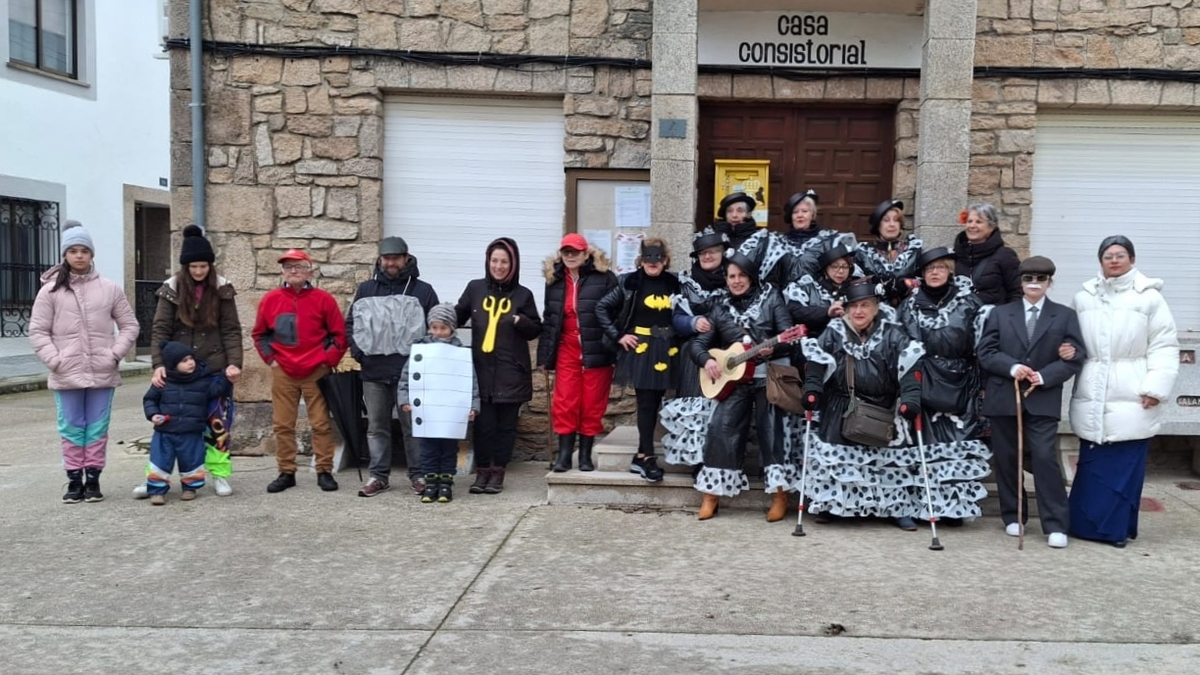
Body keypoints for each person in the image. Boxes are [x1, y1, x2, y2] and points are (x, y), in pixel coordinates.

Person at [1069, 236, 1179, 548]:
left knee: (1123, 465)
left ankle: (1114, 530)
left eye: (1120, 255)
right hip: (1093, 386)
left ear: (1131, 259)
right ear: (1100, 261)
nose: (1114, 260)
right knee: (1092, 465)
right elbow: (1071, 338)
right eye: (1108, 256)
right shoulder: (1084, 297)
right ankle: (1084, 526)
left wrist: (1155, 388)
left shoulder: (1149, 299)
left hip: (1133, 388)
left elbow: (1164, 344)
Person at [977, 256, 1084, 548]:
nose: (1033, 284)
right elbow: (985, 352)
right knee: (1007, 458)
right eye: (1028, 279)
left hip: (1042, 398)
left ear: (1050, 282)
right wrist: (1012, 367)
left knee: (1044, 458)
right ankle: (1014, 515)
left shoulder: (1064, 316)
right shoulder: (1000, 314)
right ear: (1021, 282)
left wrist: (1045, 375)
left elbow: (1076, 356)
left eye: (1040, 279)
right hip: (1004, 398)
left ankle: (1056, 524)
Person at [800, 281, 925, 529]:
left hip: (884, 407)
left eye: (865, 305)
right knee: (841, 461)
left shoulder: (893, 333)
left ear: (876, 308)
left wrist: (910, 399)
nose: (859, 311)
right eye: (853, 306)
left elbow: (909, 368)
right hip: (843, 406)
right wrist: (812, 389)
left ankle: (895, 507)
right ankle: (834, 506)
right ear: (846, 309)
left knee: (887, 462)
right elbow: (816, 363)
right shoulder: (834, 331)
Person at [29, 220, 139, 504]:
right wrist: (55, 359)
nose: (79, 256)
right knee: (71, 426)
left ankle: (93, 479)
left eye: (84, 250)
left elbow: (129, 325)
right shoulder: (50, 291)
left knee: (97, 426)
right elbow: (38, 331)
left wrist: (114, 354)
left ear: (92, 254)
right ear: (65, 255)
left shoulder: (109, 288)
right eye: (73, 250)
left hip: (102, 371)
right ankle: (73, 480)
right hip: (66, 373)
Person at [689, 253, 799, 522]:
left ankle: (779, 495)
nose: (736, 281)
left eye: (741, 275)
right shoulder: (719, 307)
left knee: (772, 432)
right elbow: (698, 345)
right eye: (731, 276)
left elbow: (788, 335)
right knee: (720, 430)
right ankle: (711, 495)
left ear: (751, 276)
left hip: (766, 379)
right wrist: (708, 360)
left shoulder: (771, 298)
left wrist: (776, 346)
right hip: (732, 382)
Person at [137, 224, 242, 499]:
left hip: (214, 370)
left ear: (210, 266)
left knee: (218, 426)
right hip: (179, 370)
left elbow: (231, 329)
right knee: (169, 427)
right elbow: (159, 329)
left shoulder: (222, 289)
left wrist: (234, 363)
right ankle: (155, 480)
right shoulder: (170, 290)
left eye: (203, 266)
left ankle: (219, 475)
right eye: (193, 266)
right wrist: (159, 364)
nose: (198, 272)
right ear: (185, 267)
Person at [896, 248, 991, 523]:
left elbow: (983, 346)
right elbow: (901, 344)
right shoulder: (909, 305)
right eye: (929, 269)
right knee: (922, 447)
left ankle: (952, 509)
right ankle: (920, 506)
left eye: (940, 267)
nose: (935, 272)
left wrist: (983, 382)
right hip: (923, 379)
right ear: (922, 275)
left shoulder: (970, 303)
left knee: (957, 447)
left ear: (950, 271)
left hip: (961, 381)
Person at [345, 236, 438, 498]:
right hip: (373, 372)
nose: (391, 263)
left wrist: (425, 360)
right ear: (380, 259)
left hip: (411, 374)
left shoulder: (423, 291)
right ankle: (378, 476)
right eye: (386, 258)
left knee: (414, 426)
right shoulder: (366, 290)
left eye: (396, 258)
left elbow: (436, 328)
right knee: (376, 427)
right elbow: (351, 323)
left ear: (406, 258)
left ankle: (419, 475)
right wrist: (358, 353)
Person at [252, 249, 348, 494]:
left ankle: (324, 470)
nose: (292, 270)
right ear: (282, 272)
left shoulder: (324, 300)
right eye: (288, 266)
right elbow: (260, 334)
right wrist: (271, 360)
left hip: (316, 371)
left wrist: (328, 360)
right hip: (283, 370)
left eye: (298, 266)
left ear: (310, 270)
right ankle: (286, 472)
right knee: (283, 424)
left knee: (321, 423)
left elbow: (339, 334)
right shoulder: (271, 300)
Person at [455, 237, 542, 493]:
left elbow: (535, 329)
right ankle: (482, 472)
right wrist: (436, 320)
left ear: (513, 264)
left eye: (504, 261)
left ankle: (497, 473)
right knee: (483, 426)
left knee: (505, 427)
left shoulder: (523, 295)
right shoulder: (475, 289)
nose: (499, 266)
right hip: (481, 371)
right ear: (488, 261)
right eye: (495, 260)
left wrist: (521, 321)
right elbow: (456, 316)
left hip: (510, 372)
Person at [597, 238, 681, 483]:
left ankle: (643, 455)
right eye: (647, 258)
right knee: (646, 402)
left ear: (665, 260)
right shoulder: (629, 282)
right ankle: (645, 456)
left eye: (657, 258)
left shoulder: (674, 283)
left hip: (668, 349)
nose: (652, 263)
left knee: (656, 400)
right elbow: (602, 308)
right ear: (641, 259)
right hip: (642, 349)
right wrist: (619, 335)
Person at [538, 233, 618, 473]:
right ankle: (564, 455)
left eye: (575, 252)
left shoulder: (605, 279)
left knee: (592, 403)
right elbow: (550, 319)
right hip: (566, 347)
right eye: (566, 252)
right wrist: (544, 356)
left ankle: (585, 455)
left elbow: (616, 314)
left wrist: (615, 344)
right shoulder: (554, 280)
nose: (571, 256)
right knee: (565, 401)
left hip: (597, 349)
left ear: (586, 254)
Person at [398, 304, 480, 504]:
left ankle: (446, 483)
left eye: (443, 328)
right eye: (434, 328)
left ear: (452, 328)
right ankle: (430, 483)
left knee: (448, 449)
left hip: (451, 415)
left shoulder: (460, 352)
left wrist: (473, 406)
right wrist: (405, 400)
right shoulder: (420, 351)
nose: (438, 332)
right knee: (427, 449)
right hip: (427, 413)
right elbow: (406, 378)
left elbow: (471, 382)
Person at [660, 232, 728, 468]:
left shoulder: (734, 278)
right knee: (695, 408)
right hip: (693, 353)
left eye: (713, 251)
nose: (708, 256)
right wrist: (692, 323)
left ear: (722, 253)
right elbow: (675, 318)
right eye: (702, 253)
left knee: (721, 410)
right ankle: (697, 463)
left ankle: (718, 460)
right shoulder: (686, 282)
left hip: (726, 353)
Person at [142, 342, 232, 505]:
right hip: (165, 431)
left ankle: (190, 488)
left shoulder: (202, 381)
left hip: (191, 431)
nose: (191, 362)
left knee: (192, 461)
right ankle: (157, 491)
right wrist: (153, 414)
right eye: (184, 360)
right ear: (173, 365)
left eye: (191, 358)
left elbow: (216, 391)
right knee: (160, 461)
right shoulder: (163, 382)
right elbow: (149, 399)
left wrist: (227, 377)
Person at [707, 191, 792, 287]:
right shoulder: (712, 239)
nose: (734, 215)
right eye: (730, 211)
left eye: (740, 211)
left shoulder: (762, 240)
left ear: (748, 214)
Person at [783, 244, 859, 339]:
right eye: (835, 266)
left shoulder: (855, 289)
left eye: (845, 267)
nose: (840, 271)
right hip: (812, 344)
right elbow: (794, 310)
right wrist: (827, 312)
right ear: (825, 268)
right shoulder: (807, 287)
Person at [780, 190, 855, 282]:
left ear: (812, 215)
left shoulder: (829, 241)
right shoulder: (778, 243)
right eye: (795, 212)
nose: (800, 215)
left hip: (818, 294)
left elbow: (846, 270)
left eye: (804, 211)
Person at [953, 203, 1021, 306]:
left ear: (992, 227)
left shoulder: (1005, 256)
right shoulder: (955, 255)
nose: (972, 226)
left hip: (994, 319)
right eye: (969, 221)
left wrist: (1007, 318)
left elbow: (1017, 292)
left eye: (979, 222)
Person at [856, 199, 921, 305]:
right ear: (878, 226)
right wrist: (874, 282)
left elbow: (927, 281)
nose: (892, 224)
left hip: (908, 311)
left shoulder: (914, 250)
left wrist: (906, 284)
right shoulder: (863, 252)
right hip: (873, 311)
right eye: (886, 220)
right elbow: (853, 284)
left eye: (896, 220)